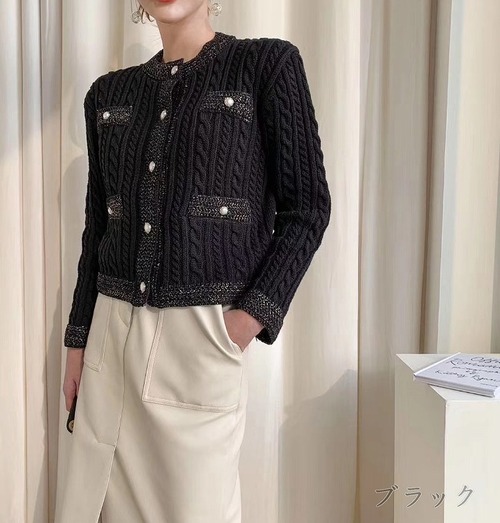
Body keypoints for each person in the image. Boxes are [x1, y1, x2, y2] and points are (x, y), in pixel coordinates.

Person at [56, 0, 331, 521]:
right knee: (93, 507)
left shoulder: (266, 66)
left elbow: (308, 209)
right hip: (108, 344)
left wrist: (246, 321)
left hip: (199, 346)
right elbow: (99, 231)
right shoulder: (107, 95)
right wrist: (77, 341)